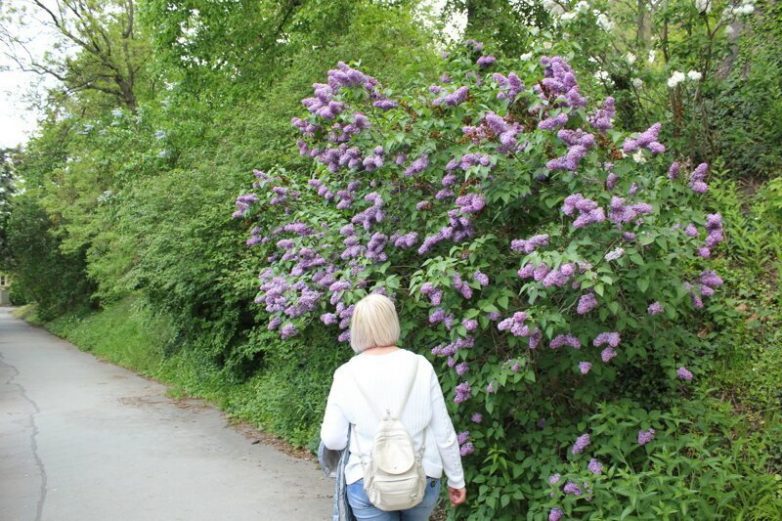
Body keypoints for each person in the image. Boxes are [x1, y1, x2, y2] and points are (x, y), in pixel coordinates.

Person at [321, 293, 467, 521]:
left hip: (367, 480)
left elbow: (332, 439)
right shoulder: (421, 366)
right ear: (392, 323)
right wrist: (456, 479)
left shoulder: (346, 374)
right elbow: (444, 433)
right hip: (421, 478)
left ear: (357, 328)